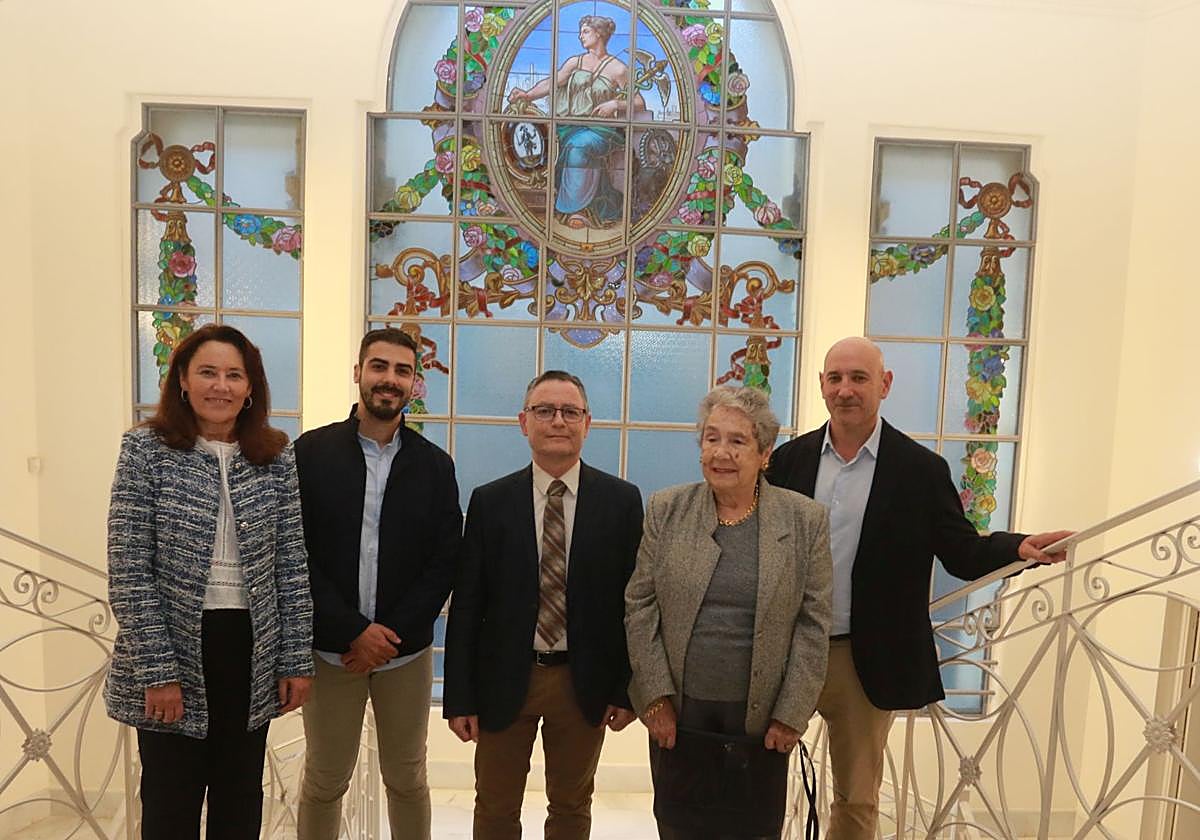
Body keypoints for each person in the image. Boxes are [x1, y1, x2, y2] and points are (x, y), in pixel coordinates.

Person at [765, 336, 1073, 840]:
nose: (845, 390)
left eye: (859, 378)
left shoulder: (920, 471)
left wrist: (1018, 548)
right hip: (785, 651)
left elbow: (961, 551)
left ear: (884, 385)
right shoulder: (786, 462)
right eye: (835, 378)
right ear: (821, 385)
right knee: (758, 784)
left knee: (857, 799)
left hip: (864, 661)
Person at [105, 324, 314, 840]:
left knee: (239, 801)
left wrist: (295, 659)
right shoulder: (145, 450)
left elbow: (291, 563)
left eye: (234, 375)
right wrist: (158, 670)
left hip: (250, 650)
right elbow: (129, 567)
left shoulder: (275, 455)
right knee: (170, 804)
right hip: (173, 646)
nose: (221, 386)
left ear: (250, 387)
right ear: (182, 380)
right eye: (207, 372)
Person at [625, 385, 833, 840]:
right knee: (680, 829)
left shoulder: (804, 520)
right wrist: (655, 697)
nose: (721, 452)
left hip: (760, 720)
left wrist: (792, 713)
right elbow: (639, 605)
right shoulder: (666, 509)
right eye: (711, 438)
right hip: (680, 713)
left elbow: (814, 624)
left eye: (738, 441)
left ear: (765, 454)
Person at [443, 370, 644, 840]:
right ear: (524, 422)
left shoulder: (621, 502)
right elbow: (467, 605)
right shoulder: (491, 502)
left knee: (572, 806)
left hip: (583, 681)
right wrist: (460, 697)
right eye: (545, 411)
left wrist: (627, 688)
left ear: (587, 423)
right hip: (504, 680)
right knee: (495, 806)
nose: (558, 421)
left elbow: (634, 603)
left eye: (570, 412)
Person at [294, 327, 462, 840]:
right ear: (359, 373)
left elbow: (444, 561)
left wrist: (388, 635)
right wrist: (353, 631)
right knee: (325, 781)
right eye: (379, 366)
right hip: (331, 652)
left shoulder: (435, 466)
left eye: (402, 371)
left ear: (414, 383)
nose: (390, 379)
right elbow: (295, 554)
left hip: (404, 655)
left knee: (407, 779)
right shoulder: (310, 454)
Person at [508, 15, 646, 229]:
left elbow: (638, 102)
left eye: (585, 31)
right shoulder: (575, 62)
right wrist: (527, 95)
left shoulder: (618, 69)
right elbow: (552, 83)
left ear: (599, 34)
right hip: (569, 127)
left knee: (578, 146)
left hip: (602, 131)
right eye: (581, 32)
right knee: (562, 143)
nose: (580, 36)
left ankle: (576, 210)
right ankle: (588, 204)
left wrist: (614, 104)